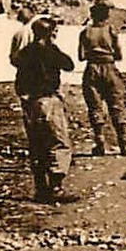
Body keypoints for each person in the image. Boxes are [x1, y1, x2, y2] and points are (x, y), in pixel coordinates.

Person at [11, 15, 75, 204]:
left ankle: (40, 187)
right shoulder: (50, 50)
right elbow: (69, 65)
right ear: (49, 33)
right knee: (58, 142)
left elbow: (19, 76)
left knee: (36, 144)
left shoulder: (25, 52)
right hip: (48, 100)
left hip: (30, 102)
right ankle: (56, 187)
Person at [78, 1, 126, 156]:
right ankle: (123, 140)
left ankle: (99, 141)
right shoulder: (111, 31)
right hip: (109, 68)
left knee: (95, 107)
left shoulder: (85, 32)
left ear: (92, 15)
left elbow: (81, 56)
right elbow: (119, 55)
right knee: (116, 105)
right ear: (107, 16)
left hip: (92, 69)